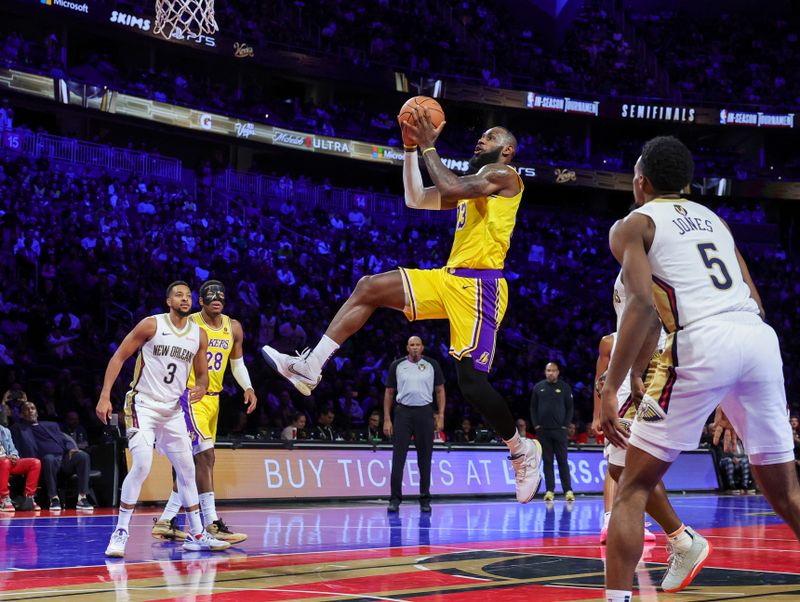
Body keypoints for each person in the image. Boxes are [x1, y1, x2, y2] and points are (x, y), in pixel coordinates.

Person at [261, 109, 542, 503]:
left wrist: (428, 144)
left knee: (472, 384)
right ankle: (311, 367)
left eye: (490, 137)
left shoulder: (505, 177)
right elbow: (415, 197)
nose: (481, 140)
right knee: (369, 287)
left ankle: (520, 449)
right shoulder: (471, 184)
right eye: (481, 135)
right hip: (449, 278)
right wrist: (410, 148)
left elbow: (446, 182)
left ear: (507, 151)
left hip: (480, 287)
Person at [600, 136, 800, 602]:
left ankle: (618, 598)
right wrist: (734, 393)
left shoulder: (632, 225)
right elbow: (753, 297)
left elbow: (642, 309)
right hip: (757, 337)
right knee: (786, 491)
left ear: (641, 182)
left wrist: (611, 388)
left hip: (702, 339)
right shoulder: (716, 221)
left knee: (631, 485)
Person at [96, 281, 230, 557]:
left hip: (172, 410)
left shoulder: (198, 335)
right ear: (168, 301)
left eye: (188, 295)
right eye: (179, 295)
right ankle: (120, 532)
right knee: (143, 464)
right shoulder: (151, 325)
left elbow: (202, 374)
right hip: (142, 405)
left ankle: (196, 533)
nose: (185, 299)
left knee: (187, 470)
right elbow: (119, 356)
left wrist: (202, 386)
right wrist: (105, 395)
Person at [594, 274, 705, 593]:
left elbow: (649, 314)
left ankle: (682, 540)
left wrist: (631, 373)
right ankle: (682, 540)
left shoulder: (648, 253)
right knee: (621, 468)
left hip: (646, 364)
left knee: (630, 472)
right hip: (635, 364)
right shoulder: (628, 262)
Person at [152, 280, 257, 544]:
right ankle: (210, 523)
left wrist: (248, 386)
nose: (216, 297)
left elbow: (237, 362)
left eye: (220, 294)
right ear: (201, 301)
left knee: (193, 462)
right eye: (210, 295)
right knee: (205, 458)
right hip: (190, 397)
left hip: (214, 401)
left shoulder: (233, 327)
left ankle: (168, 520)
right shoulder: (190, 325)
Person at [383, 336, 445, 513]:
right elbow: (388, 393)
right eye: (412, 345)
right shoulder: (397, 365)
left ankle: (425, 499)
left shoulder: (432, 365)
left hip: (425, 412)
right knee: (398, 458)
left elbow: (440, 391)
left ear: (422, 347)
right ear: (407, 347)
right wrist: (387, 418)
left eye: (418, 345)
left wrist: (440, 415)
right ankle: (395, 499)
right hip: (403, 412)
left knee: (424, 458)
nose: (415, 348)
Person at [11, 401, 92, 511]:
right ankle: (53, 498)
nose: (30, 410)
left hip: (62, 459)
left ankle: (82, 498)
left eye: (33, 408)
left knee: (83, 456)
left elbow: (64, 439)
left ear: (37, 413)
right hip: (43, 462)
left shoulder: (50, 425)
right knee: (49, 458)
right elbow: (17, 446)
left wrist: (71, 448)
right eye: (26, 409)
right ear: (21, 414)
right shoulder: (19, 428)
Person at [530, 362, 574, 501]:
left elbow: (570, 408)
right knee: (547, 461)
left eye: (553, 371)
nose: (551, 373)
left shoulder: (564, 388)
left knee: (562, 461)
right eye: (548, 370)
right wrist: (536, 425)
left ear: (558, 372)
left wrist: (565, 425)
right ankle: (550, 491)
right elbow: (533, 408)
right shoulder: (538, 388)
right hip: (543, 431)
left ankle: (568, 491)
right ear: (545, 371)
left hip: (559, 431)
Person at [0, 417, 41, 512]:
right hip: (3, 462)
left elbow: (13, 449)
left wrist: (14, 456)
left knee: (35, 463)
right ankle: (3, 499)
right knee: (5, 462)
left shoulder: (5, 431)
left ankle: (29, 498)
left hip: (6, 463)